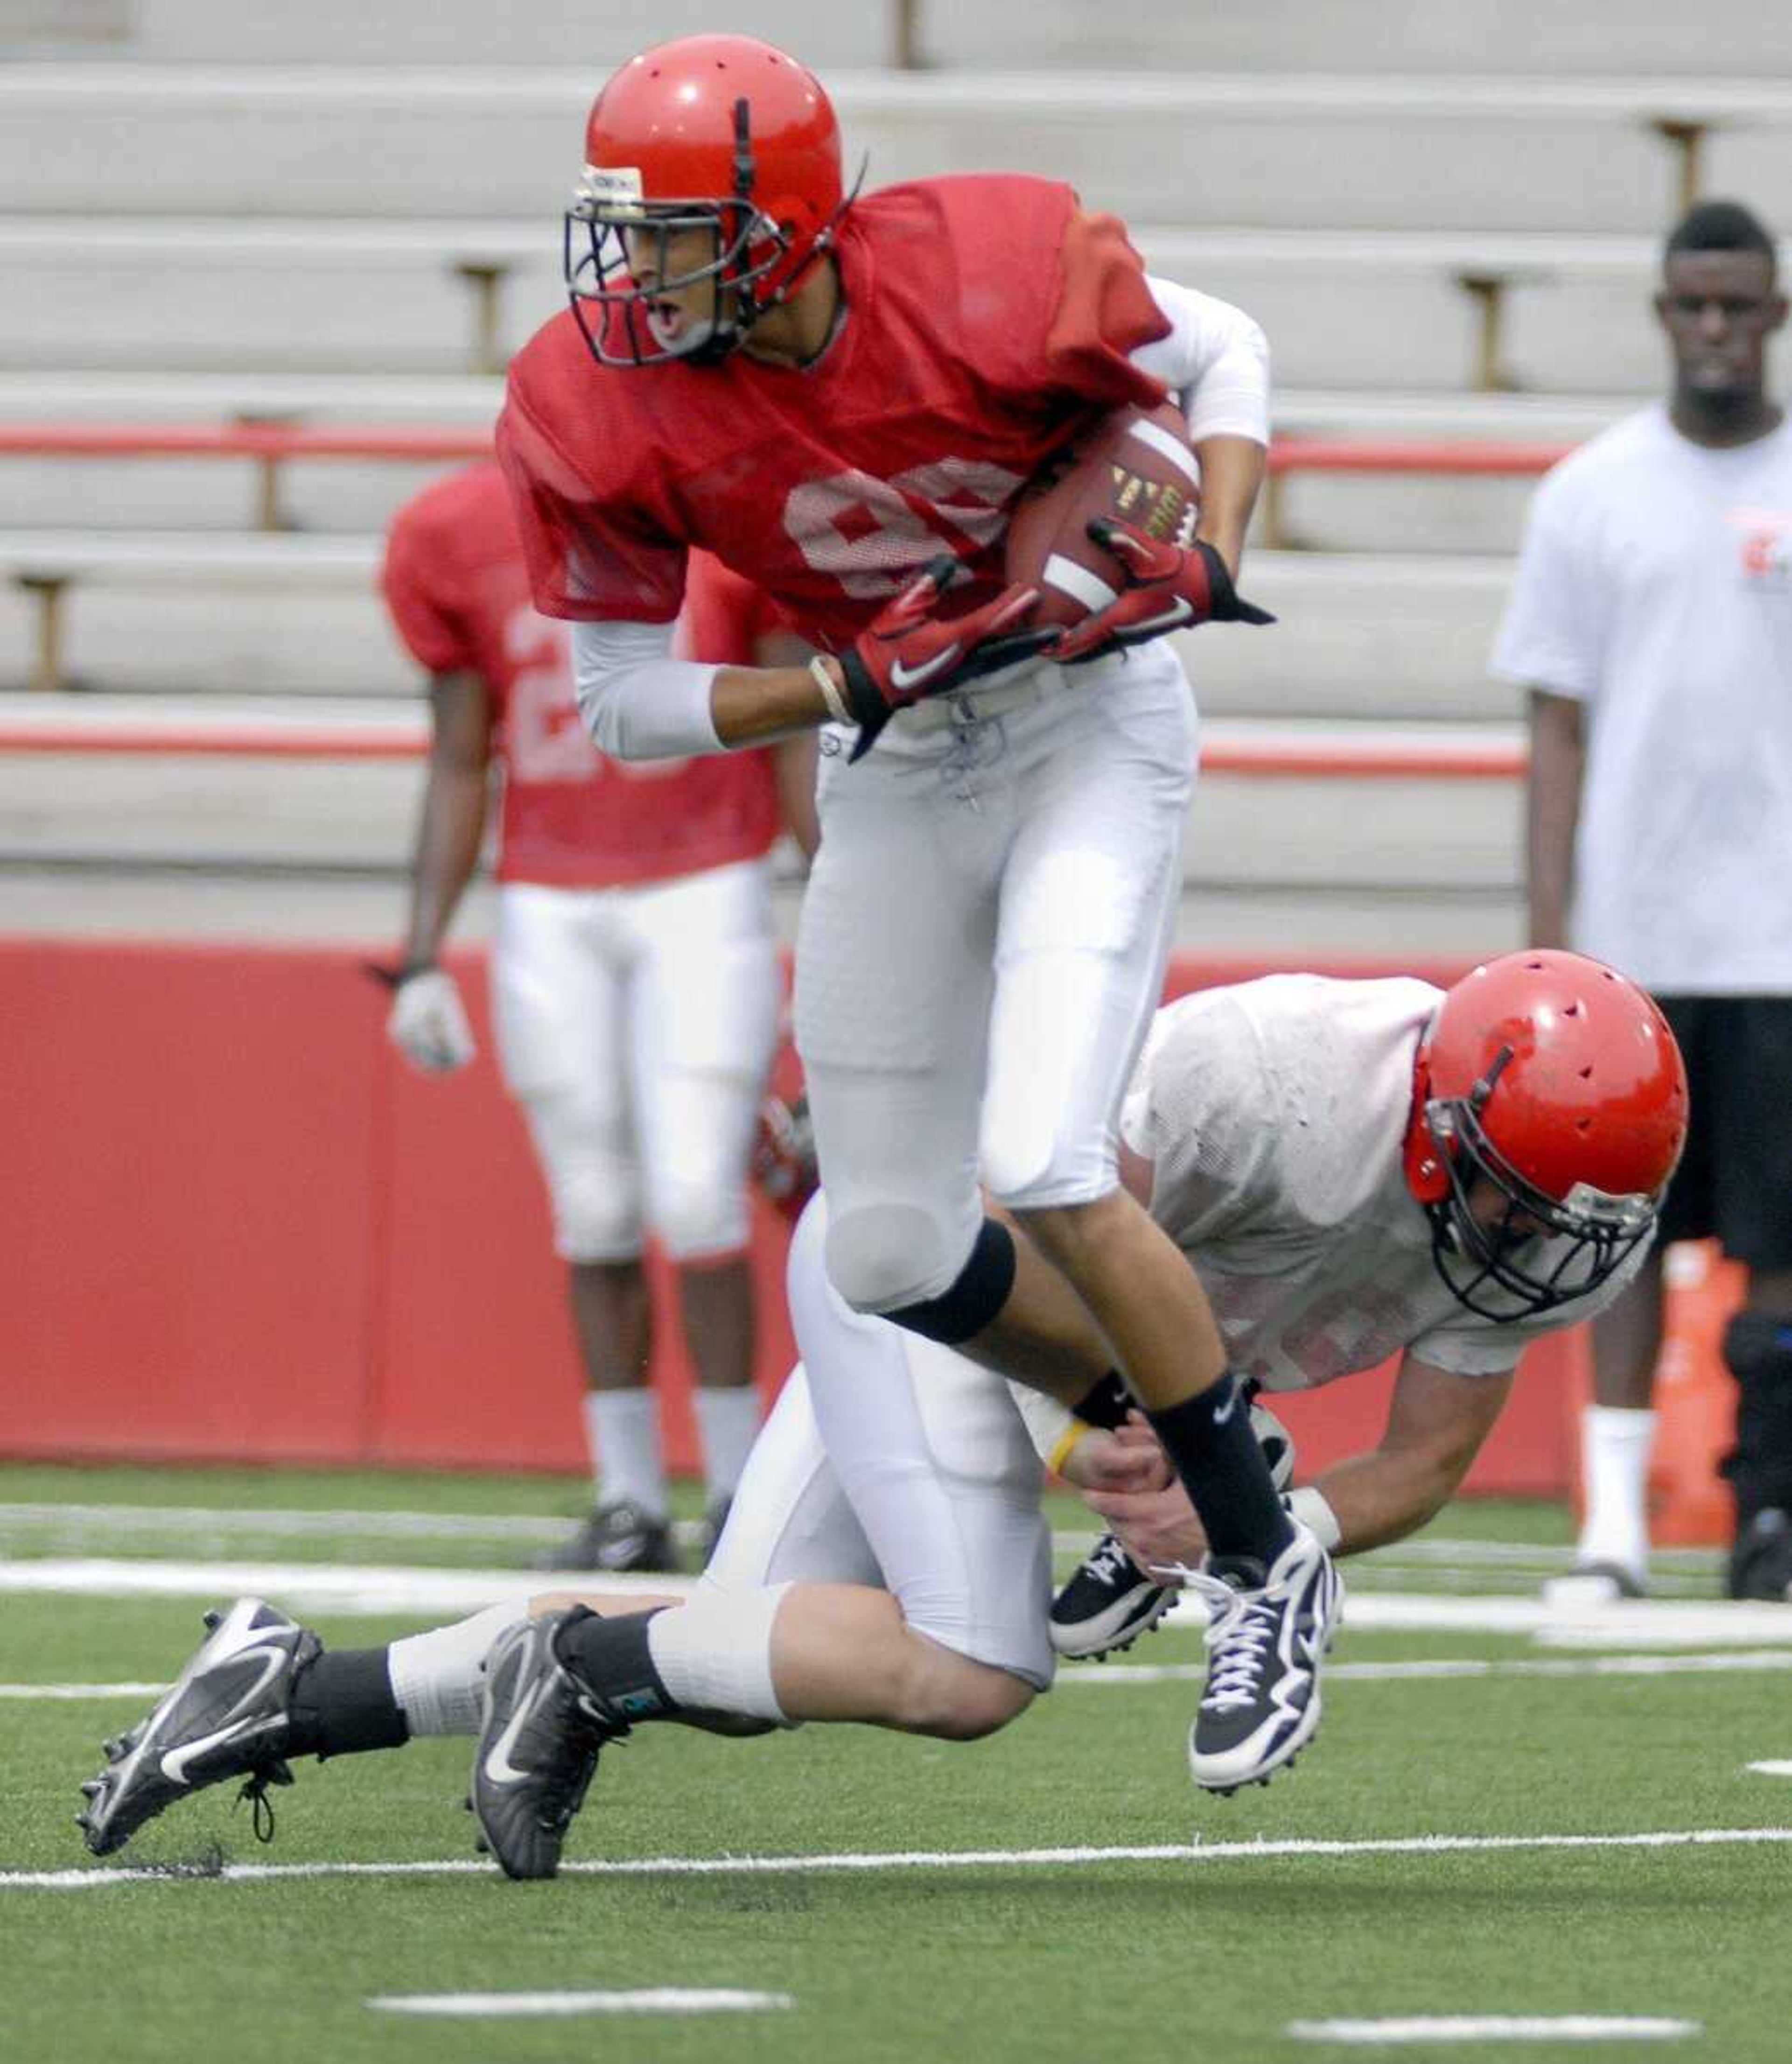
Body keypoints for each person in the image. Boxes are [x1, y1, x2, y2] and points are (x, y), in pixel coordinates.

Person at [76, 952, 1687, 1879]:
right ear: (1435, 1112)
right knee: (978, 1667)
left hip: (1103, 1364)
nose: (1534, 1241)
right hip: (940, 1271)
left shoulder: (1568, 1207)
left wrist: (1269, 1522)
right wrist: (1117, 1445)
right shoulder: (1270, 1072)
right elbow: (1018, 1238)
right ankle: (570, 1666)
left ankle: (287, 1690)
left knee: (733, 1650)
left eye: (1569, 1214)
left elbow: (1421, 1461)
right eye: (1509, 1193)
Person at [495, 31, 1328, 1791]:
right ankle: (1190, 1433)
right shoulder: (600, 399)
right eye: (624, 234)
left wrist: (1221, 547)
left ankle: (1259, 1567)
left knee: (1043, 1158)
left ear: (784, 230)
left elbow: (1220, 348)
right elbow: (621, 704)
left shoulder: (982, 274)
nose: (634, 275)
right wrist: (846, 682)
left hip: (1088, 724)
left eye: (672, 235)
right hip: (897, 747)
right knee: (879, 1247)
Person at [380, 460, 817, 1573]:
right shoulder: (454, 529)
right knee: (593, 1203)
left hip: (705, 877)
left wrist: (838, 900)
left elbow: (794, 731)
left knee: (695, 1190)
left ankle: (736, 1495)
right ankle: (628, 1501)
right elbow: (458, 755)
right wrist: (422, 953)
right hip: (547, 894)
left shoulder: (723, 509)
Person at [1493, 197, 1792, 1603]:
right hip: (1637, 940)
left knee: (1781, 1247)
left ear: (1776, 312)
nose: (1719, 328)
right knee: (1611, 1248)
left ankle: (1769, 1510)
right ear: (1666, 313)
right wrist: (1554, 945)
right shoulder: (1590, 491)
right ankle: (1610, 1520)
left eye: (1743, 303)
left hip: (1781, 936)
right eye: (1697, 304)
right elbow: (1556, 726)